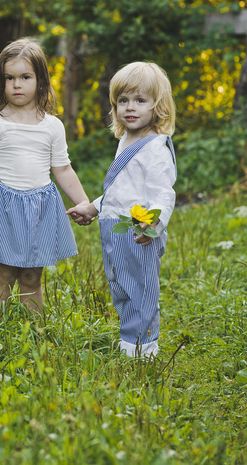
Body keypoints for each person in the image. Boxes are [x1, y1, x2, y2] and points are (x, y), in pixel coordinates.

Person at [0, 38, 93, 314]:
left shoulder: (52, 126)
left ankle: (33, 333)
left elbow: (63, 168)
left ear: (41, 80)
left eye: (25, 77)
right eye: (9, 78)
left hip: (39, 209)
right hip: (5, 209)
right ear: (1, 82)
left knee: (33, 277)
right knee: (4, 275)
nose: (17, 84)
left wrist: (84, 202)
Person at [67, 62, 177, 358]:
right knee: (122, 286)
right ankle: (131, 341)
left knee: (141, 290)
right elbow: (123, 191)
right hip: (116, 230)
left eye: (140, 100)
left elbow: (162, 195)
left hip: (138, 231)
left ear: (158, 105)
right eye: (122, 101)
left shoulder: (155, 149)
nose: (130, 108)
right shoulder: (127, 140)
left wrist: (153, 223)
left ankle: (142, 351)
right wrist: (94, 207)